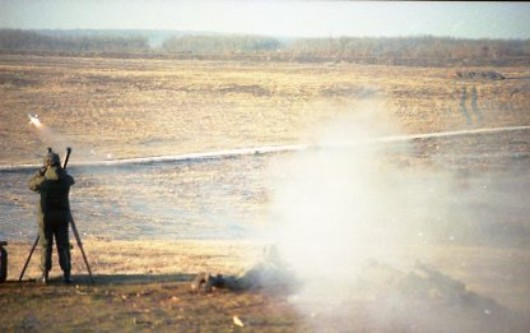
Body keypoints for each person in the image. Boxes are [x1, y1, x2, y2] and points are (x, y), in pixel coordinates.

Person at [28, 149, 75, 284]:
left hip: (46, 218)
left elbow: (31, 184)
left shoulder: (43, 181)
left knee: (46, 245)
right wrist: (63, 173)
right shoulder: (65, 179)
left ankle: (45, 276)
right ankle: (67, 275)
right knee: (63, 246)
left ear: (47, 164)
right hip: (62, 217)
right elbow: (71, 180)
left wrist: (40, 172)